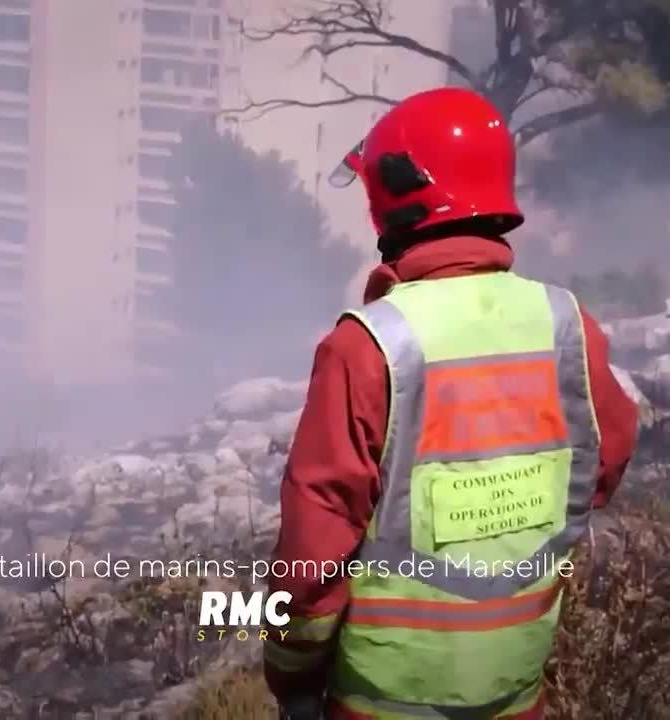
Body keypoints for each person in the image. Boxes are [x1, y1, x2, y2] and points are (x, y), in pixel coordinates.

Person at [263, 88, 640, 720]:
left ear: (397, 195)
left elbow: (315, 551)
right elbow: (603, 463)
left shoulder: (367, 346)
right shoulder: (568, 324)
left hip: (380, 706)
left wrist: (290, 675)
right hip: (518, 697)